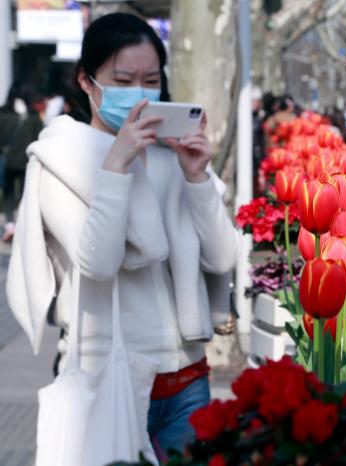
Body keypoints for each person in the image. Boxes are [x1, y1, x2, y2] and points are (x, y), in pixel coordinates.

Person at [6, 12, 240, 460]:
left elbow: (222, 256)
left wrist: (197, 179)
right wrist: (115, 167)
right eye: (123, 79)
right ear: (87, 82)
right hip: (110, 378)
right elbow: (98, 261)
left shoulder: (172, 156)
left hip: (188, 381)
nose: (138, 93)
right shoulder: (61, 158)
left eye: (150, 79)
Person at [0, 82, 44, 241]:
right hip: (27, 162)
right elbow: (40, 138)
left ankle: (10, 225)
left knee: (8, 194)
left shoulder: (3, 114)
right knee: (27, 194)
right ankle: (23, 225)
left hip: (7, 161)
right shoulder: (33, 116)